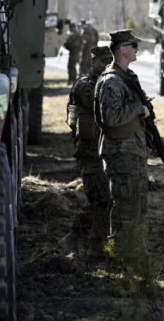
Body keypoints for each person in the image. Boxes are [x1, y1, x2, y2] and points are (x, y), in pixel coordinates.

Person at [94, 29, 151, 253]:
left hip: (132, 150)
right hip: (120, 152)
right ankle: (121, 255)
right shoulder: (112, 82)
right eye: (134, 46)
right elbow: (112, 117)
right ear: (123, 49)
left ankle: (134, 253)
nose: (137, 49)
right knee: (125, 206)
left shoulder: (127, 78)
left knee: (138, 204)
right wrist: (139, 108)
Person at [59, 45, 113, 257]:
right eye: (102, 61)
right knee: (100, 199)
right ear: (93, 62)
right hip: (89, 153)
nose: (106, 65)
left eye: (109, 61)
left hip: (103, 151)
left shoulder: (106, 82)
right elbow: (104, 108)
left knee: (103, 200)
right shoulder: (85, 85)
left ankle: (94, 245)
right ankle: (75, 237)